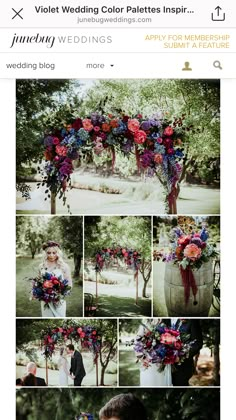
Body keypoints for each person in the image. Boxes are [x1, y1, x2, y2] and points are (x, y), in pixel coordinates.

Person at [135, 318, 203, 386]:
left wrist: (180, 357)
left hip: (181, 367)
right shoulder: (161, 319)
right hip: (160, 366)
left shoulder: (192, 320)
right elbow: (140, 340)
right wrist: (142, 356)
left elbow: (197, 343)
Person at [39, 240, 72, 317]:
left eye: (54, 253)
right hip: (45, 301)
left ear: (58, 253)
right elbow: (39, 282)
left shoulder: (64, 266)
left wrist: (59, 297)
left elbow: (69, 285)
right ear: (45, 253)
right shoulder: (41, 266)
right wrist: (38, 292)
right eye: (49, 253)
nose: (51, 255)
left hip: (58, 301)